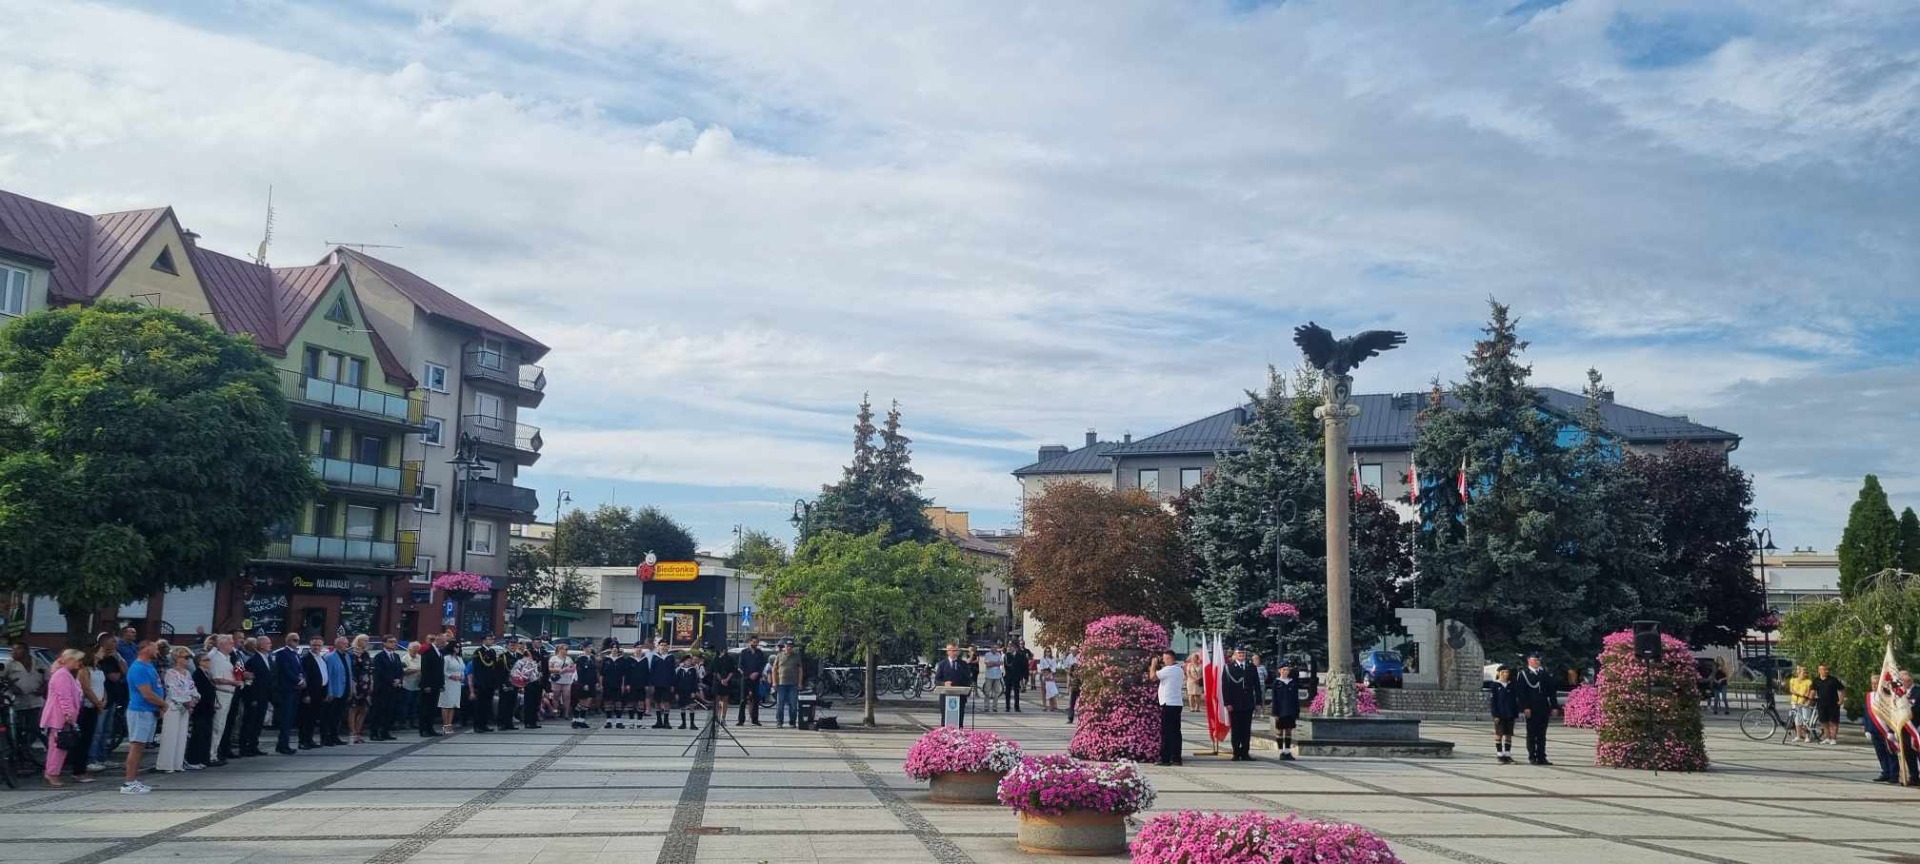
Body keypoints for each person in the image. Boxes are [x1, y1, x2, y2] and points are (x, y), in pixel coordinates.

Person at [120, 641, 164, 794]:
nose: (157, 650)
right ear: (145, 649)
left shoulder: (149, 666)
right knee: (136, 746)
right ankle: (128, 782)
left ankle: (133, 780)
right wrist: (163, 704)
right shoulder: (138, 668)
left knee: (141, 746)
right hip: (140, 711)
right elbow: (146, 693)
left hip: (149, 711)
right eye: (154, 648)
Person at [39, 649, 87, 786]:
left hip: (62, 715)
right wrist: (69, 714)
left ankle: (52, 772)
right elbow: (64, 697)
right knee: (58, 746)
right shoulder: (62, 675)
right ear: (69, 660)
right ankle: (52, 773)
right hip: (59, 716)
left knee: (60, 746)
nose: (79, 663)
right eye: (78, 660)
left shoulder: (64, 674)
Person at [157, 646, 196, 773]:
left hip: (185, 708)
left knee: (182, 736)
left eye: (189, 657)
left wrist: (194, 698)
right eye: (186, 657)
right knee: (170, 736)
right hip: (173, 706)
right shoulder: (170, 673)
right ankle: (166, 765)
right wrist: (187, 701)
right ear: (177, 658)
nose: (188, 660)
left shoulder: (187, 673)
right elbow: (174, 690)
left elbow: (192, 688)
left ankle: (178, 764)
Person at [6, 641, 46, 763]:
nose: (14, 652)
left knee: (34, 728)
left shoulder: (38, 662)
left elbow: (47, 678)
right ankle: (19, 751)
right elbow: (3, 678)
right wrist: (12, 687)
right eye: (13, 650)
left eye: (17, 649)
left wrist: (42, 688)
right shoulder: (9, 665)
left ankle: (26, 747)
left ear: (25, 651)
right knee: (17, 728)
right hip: (17, 702)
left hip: (35, 701)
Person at [1220, 646, 1263, 761]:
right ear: (1235, 655)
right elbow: (1225, 687)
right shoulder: (1229, 668)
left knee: (1246, 729)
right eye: (1239, 653)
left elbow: (1257, 686)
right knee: (1236, 729)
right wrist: (1227, 703)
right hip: (1234, 704)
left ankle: (1245, 753)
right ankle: (1236, 752)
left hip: (1248, 703)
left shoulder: (1251, 667)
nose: (1241, 655)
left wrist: (1258, 702)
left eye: (1243, 653)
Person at [1516, 653, 1558, 766]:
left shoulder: (1544, 674)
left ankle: (1541, 756)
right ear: (1529, 660)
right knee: (1531, 733)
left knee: (1542, 734)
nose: (1537, 662)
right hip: (1531, 708)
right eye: (1535, 660)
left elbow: (1551, 691)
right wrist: (1525, 707)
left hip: (1543, 707)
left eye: (1538, 660)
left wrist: (1554, 706)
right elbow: (1521, 693)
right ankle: (1532, 756)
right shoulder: (1524, 674)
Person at [205, 635, 238, 765]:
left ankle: (214, 753)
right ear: (221, 645)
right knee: (217, 725)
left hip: (228, 693)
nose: (232, 645)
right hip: (221, 693)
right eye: (230, 643)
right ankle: (211, 755)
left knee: (221, 725)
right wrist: (233, 682)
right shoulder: (217, 659)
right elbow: (216, 679)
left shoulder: (227, 658)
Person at [1149, 649, 1185, 767]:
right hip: (1177, 703)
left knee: (1166, 733)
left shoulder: (1169, 670)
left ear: (1170, 659)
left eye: (1164, 659)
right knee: (1176, 732)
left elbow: (1153, 677)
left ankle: (1165, 759)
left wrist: (1153, 664)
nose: (1163, 661)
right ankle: (1176, 758)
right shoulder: (1179, 669)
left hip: (1168, 703)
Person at [95, 633, 127, 764]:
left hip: (113, 697)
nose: (116, 644)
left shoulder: (115, 657)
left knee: (107, 730)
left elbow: (125, 671)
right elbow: (114, 677)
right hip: (102, 699)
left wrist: (118, 658)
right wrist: (119, 674)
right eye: (113, 641)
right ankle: (93, 758)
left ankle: (103, 757)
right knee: (98, 730)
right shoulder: (99, 658)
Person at [239, 637, 272, 757]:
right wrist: (252, 698)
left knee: (258, 722)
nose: (270, 645)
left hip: (264, 696)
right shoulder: (253, 660)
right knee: (250, 722)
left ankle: (254, 745)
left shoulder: (268, 658)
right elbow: (249, 681)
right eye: (268, 643)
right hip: (255, 697)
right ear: (261, 645)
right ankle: (244, 747)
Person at [185, 651, 218, 770]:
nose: (209, 662)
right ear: (199, 662)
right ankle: (194, 759)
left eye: (209, 659)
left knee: (206, 734)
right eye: (206, 660)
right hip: (201, 709)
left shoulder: (207, 673)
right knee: (198, 734)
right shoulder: (197, 674)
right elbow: (199, 692)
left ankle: (204, 758)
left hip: (208, 708)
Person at [272, 634, 304, 755]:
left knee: (290, 718)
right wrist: (298, 681)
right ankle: (283, 745)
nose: (297, 642)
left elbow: (300, 669)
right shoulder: (283, 653)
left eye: (298, 640)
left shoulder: (296, 654)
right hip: (287, 690)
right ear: (288, 641)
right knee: (285, 718)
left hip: (295, 690)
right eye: (294, 640)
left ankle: (284, 744)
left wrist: (303, 679)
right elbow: (286, 670)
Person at [370, 636, 403, 741]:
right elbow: (380, 672)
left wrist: (399, 679)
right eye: (390, 642)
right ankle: (374, 733)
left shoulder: (396, 656)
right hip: (382, 688)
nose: (393, 644)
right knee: (378, 711)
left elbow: (400, 670)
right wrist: (392, 680)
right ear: (384, 643)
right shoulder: (379, 656)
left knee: (389, 711)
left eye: (394, 642)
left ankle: (385, 732)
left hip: (393, 689)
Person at [298, 636, 329, 749]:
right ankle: (303, 741)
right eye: (314, 645)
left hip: (320, 692)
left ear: (322, 646)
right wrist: (305, 694)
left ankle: (309, 740)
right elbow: (304, 678)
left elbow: (324, 675)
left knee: (313, 718)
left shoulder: (322, 658)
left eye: (319, 645)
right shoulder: (306, 659)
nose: (316, 647)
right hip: (310, 693)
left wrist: (325, 692)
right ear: (310, 646)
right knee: (306, 718)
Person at [470, 634, 504, 733]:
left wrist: (495, 682)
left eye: (493, 639)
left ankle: (484, 724)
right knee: (480, 705)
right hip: (482, 683)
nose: (492, 640)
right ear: (484, 640)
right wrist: (480, 682)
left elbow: (494, 668)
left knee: (487, 705)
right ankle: (478, 725)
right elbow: (477, 669)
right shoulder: (479, 652)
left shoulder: (492, 651)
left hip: (490, 683)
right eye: (489, 639)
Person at [1489, 665, 1520, 764]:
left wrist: (1515, 714)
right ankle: (1499, 754)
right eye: (1502, 672)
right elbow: (1493, 702)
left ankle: (1507, 755)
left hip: (1510, 714)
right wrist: (1495, 715)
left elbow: (1515, 701)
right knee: (1499, 734)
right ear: (1498, 673)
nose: (1504, 674)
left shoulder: (1512, 685)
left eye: (1506, 672)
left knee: (1508, 735)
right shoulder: (1495, 685)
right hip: (1500, 714)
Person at [1270, 661, 1301, 761]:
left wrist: (1297, 711)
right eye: (1284, 670)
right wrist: (1275, 712)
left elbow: (1296, 698)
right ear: (1279, 671)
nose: (1286, 671)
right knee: (1280, 731)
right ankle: (1281, 751)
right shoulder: (1277, 683)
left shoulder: (1292, 682)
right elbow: (1274, 699)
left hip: (1290, 710)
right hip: (1280, 710)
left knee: (1288, 730)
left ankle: (1287, 751)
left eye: (1287, 670)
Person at [323, 637, 350, 746]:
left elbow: (349, 673)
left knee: (338, 715)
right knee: (330, 715)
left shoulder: (347, 656)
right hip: (334, 691)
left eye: (347, 644)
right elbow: (328, 676)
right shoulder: (329, 657)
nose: (347, 646)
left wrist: (351, 689)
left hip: (344, 689)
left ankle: (335, 736)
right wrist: (329, 692)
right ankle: (327, 737)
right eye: (344, 644)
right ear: (338, 644)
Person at [347, 635, 373, 743]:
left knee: (364, 709)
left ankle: (358, 732)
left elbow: (369, 669)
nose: (366, 642)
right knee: (354, 708)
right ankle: (352, 733)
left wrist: (371, 683)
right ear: (358, 641)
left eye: (367, 640)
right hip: (356, 684)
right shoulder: (351, 654)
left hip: (365, 684)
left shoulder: (366, 654)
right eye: (364, 640)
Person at [418, 635, 445, 737]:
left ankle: (430, 728)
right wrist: (426, 685)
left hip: (436, 684)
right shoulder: (428, 651)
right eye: (443, 642)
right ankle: (423, 729)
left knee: (432, 708)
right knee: (425, 708)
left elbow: (439, 670)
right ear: (437, 641)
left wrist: (441, 683)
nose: (444, 644)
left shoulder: (439, 652)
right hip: (428, 685)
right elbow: (425, 669)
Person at [737, 637, 768, 726]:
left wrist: (757, 673)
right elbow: (740, 666)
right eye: (753, 642)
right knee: (743, 700)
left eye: (756, 642)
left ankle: (755, 720)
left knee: (755, 699)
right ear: (750, 642)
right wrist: (748, 674)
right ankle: (741, 720)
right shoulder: (743, 652)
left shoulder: (760, 653)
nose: (755, 644)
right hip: (745, 678)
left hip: (756, 679)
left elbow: (762, 665)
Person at [772, 641, 804, 728]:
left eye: (791, 646)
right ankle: (779, 722)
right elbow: (774, 669)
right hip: (781, 684)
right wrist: (774, 682)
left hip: (793, 684)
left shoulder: (796, 656)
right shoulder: (779, 655)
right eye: (787, 646)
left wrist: (800, 683)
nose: (789, 648)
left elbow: (800, 670)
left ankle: (792, 722)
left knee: (793, 704)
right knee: (780, 704)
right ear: (784, 647)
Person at [1812, 664, 1845, 745]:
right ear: (1819, 671)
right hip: (1821, 704)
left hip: (1833, 704)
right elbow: (1813, 691)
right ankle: (1827, 738)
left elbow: (1842, 689)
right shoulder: (1816, 680)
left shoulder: (1833, 680)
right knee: (1824, 722)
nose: (1826, 671)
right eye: (1824, 669)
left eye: (1827, 669)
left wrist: (1841, 700)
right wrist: (1810, 701)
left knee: (1833, 722)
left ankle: (1833, 738)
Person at [648, 640, 676, 730]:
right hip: (657, 684)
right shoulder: (655, 657)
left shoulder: (670, 657)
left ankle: (666, 721)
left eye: (665, 645)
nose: (663, 647)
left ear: (667, 647)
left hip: (667, 683)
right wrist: (651, 684)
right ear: (658, 646)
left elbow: (673, 671)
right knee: (657, 702)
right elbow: (652, 672)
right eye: (661, 645)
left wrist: (673, 684)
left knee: (667, 702)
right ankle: (659, 721)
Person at [440, 637, 464, 734]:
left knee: (453, 705)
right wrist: (451, 676)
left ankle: (450, 725)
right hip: (448, 683)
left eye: (459, 647)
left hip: (457, 684)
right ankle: (445, 725)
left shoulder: (460, 658)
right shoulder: (446, 658)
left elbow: (462, 669)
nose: (458, 648)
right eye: (456, 647)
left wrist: (462, 676)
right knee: (446, 704)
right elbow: (443, 671)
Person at [708, 643, 734, 726]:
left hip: (727, 682)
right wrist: (721, 680)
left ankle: (723, 718)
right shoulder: (715, 658)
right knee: (717, 700)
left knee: (725, 700)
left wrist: (726, 680)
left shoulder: (730, 658)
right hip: (718, 682)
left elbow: (732, 670)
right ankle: (716, 717)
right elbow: (714, 671)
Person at [549, 643, 576, 721]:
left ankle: (566, 714)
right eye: (565, 649)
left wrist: (569, 669)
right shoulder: (553, 658)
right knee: (556, 697)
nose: (567, 651)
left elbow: (573, 668)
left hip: (567, 680)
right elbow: (549, 669)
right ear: (560, 650)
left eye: (567, 649)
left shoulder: (569, 658)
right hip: (556, 679)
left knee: (567, 696)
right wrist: (558, 670)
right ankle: (555, 713)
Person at [1788, 666, 1815, 742]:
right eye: (1804, 672)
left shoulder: (1808, 682)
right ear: (1798, 673)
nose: (1805, 674)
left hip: (1804, 702)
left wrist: (1804, 699)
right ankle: (1798, 736)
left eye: (1806, 673)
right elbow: (1791, 690)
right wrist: (1800, 694)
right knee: (1797, 719)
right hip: (1795, 702)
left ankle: (1807, 736)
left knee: (1806, 719)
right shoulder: (1793, 680)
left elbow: (1808, 692)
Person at [1004, 642, 1031, 712]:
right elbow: (1006, 666)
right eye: (1009, 647)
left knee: (1016, 692)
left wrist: (1025, 676)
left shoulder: (1020, 655)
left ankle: (1017, 707)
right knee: (1007, 692)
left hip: (1017, 676)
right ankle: (1007, 707)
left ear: (1015, 648)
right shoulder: (1007, 655)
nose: (1010, 648)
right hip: (1009, 676)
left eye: (1011, 647)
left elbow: (1024, 666)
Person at [978, 645, 1004, 713]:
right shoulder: (987, 655)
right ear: (991, 648)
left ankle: (995, 707)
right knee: (987, 692)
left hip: (997, 676)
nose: (995, 649)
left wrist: (992, 662)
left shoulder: (999, 655)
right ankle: (986, 707)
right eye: (994, 648)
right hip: (989, 675)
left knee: (996, 692)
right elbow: (988, 665)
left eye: (996, 648)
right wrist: (996, 663)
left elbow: (1001, 663)